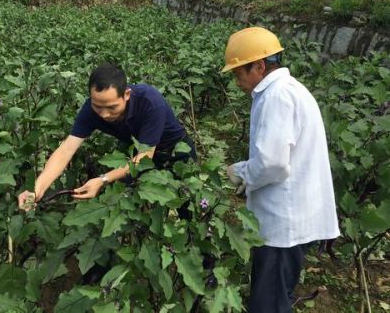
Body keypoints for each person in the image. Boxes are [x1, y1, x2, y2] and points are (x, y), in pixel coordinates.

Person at [222, 27, 340, 313]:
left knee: (268, 303)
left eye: (239, 73)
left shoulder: (276, 97)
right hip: (293, 217)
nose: (237, 81)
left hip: (283, 223)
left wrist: (240, 172)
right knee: (276, 295)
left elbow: (271, 163)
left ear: (260, 66)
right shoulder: (289, 89)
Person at [18, 64, 196, 208]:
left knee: (184, 204)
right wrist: (37, 189)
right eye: (98, 106)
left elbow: (145, 158)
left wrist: (103, 179)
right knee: (129, 203)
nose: (104, 114)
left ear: (126, 94)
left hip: (176, 154)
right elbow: (66, 149)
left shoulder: (150, 102)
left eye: (112, 107)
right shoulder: (90, 109)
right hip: (134, 155)